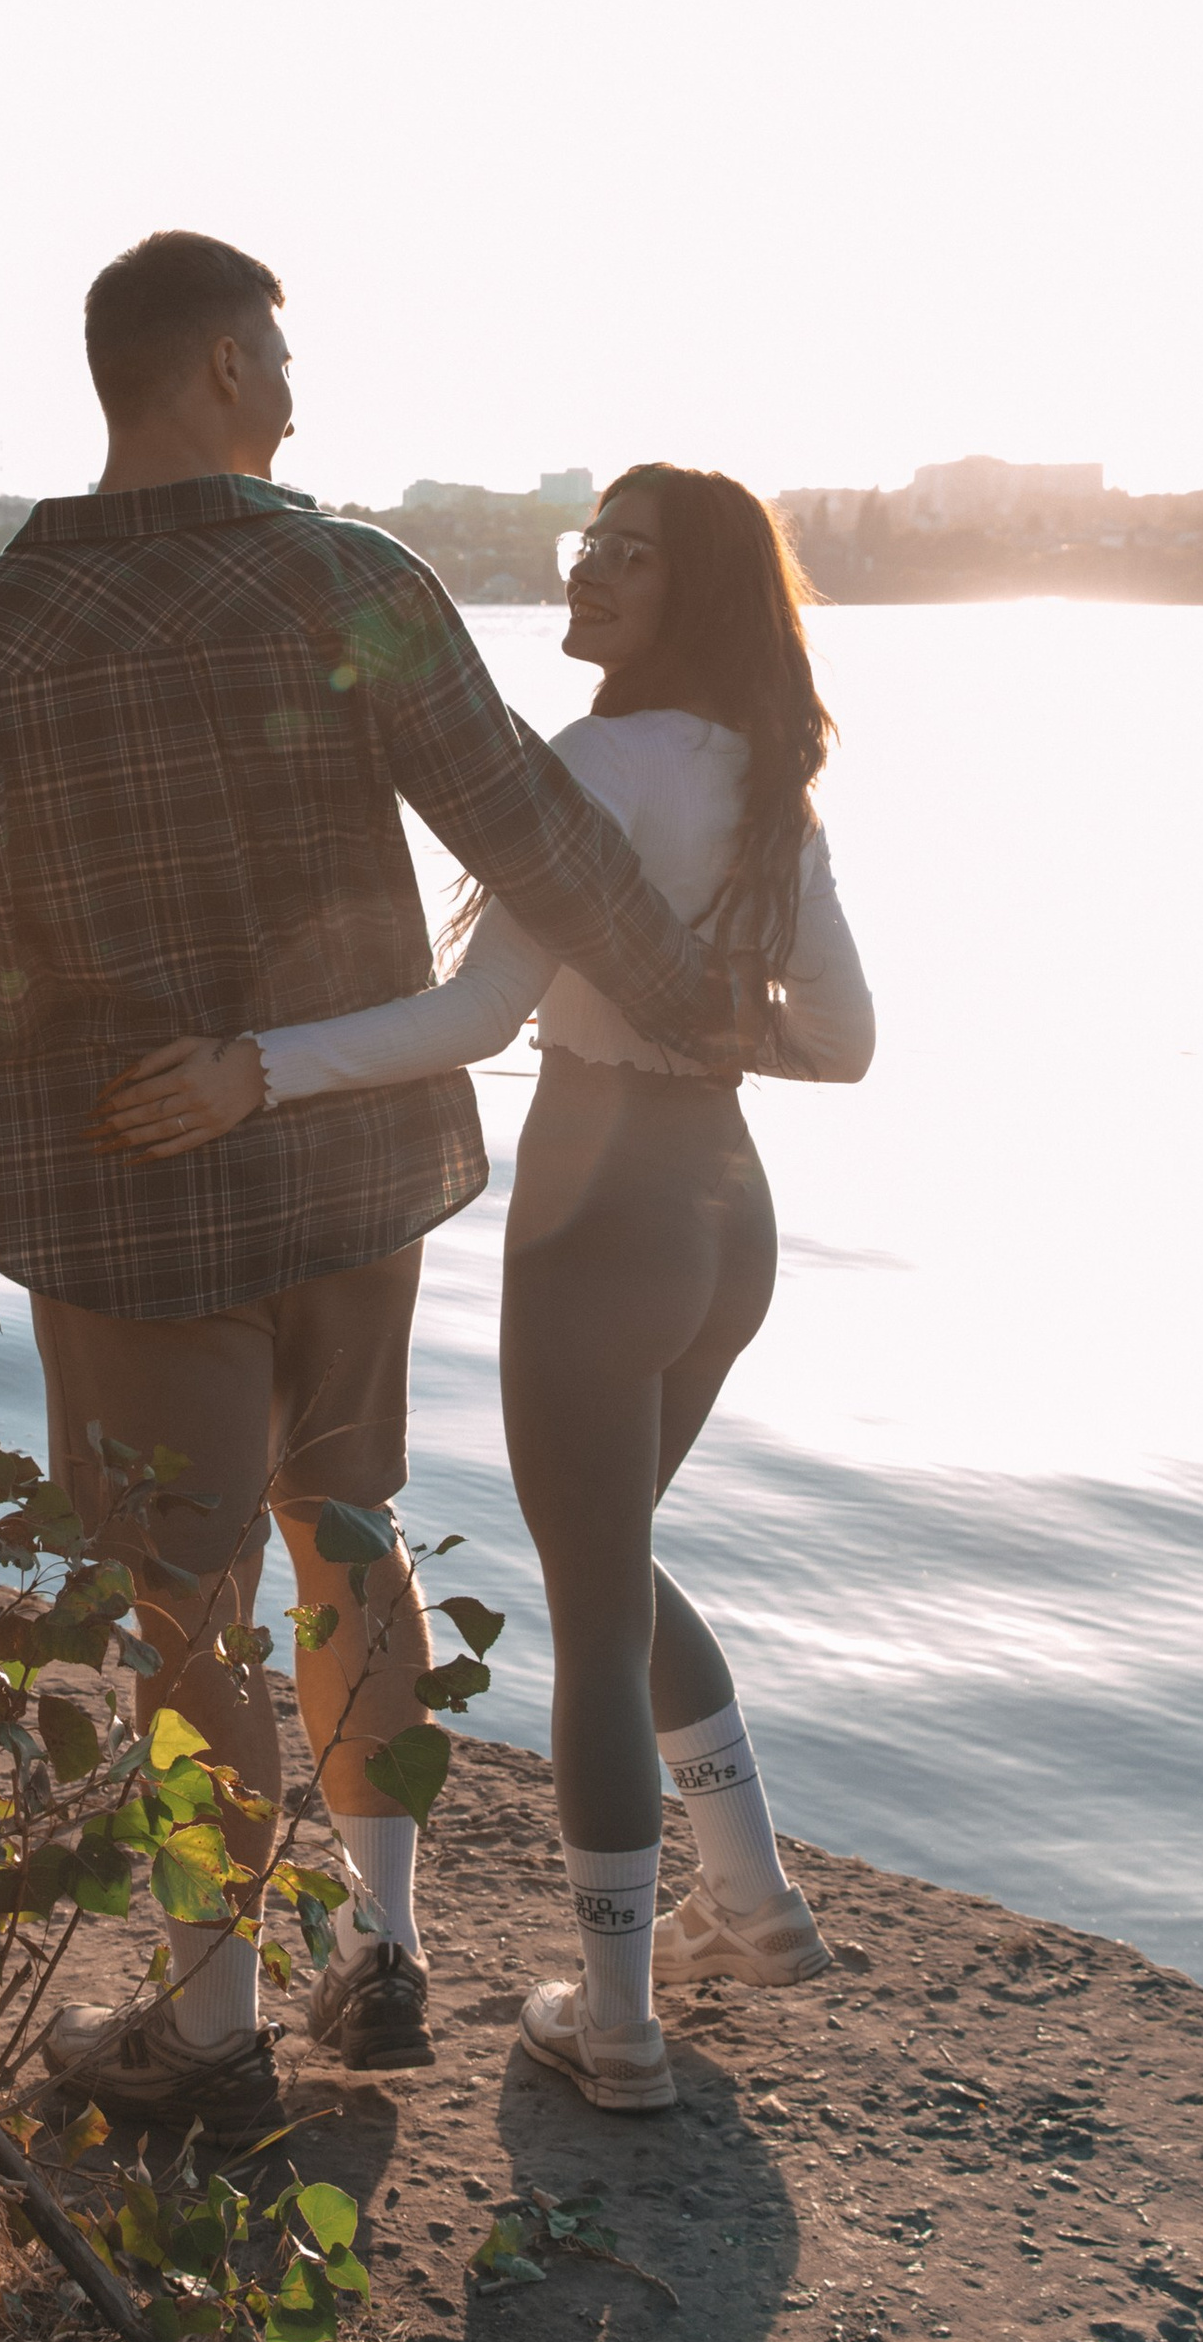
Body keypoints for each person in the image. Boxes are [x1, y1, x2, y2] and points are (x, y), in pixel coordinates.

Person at [0, 243, 750, 2134]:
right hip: (347, 1168)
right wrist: (706, 1022)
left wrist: (70, 1005)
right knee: (348, 1521)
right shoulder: (349, 577)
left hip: (129, 1190)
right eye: (286, 362)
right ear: (227, 363)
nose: (303, 401)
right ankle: (383, 1943)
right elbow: (537, 834)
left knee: (186, 1612)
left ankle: (213, 2027)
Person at [97, 463, 872, 2115]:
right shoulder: (764, 779)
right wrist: (716, 1025)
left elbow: (468, 1019)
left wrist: (257, 1069)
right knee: (619, 1559)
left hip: (600, 1220)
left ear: (697, 592)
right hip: (731, 1215)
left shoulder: (591, 762)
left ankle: (618, 2026)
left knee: (592, 1608)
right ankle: (754, 1906)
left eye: (627, 556)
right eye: (585, 544)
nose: (586, 572)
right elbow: (844, 1043)